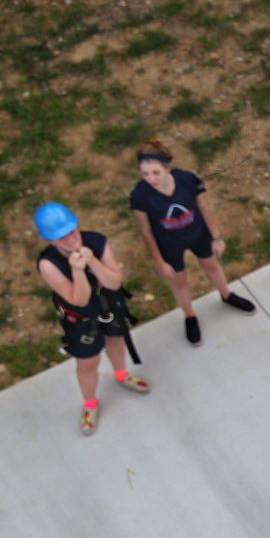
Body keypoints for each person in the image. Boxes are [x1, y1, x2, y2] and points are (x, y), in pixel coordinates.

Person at [35, 201, 150, 436]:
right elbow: (79, 299)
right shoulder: (48, 264)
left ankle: (121, 374)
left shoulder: (97, 242)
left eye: (72, 232)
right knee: (87, 363)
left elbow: (114, 282)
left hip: (109, 306)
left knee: (116, 341)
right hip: (81, 318)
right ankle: (90, 403)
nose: (70, 240)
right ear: (50, 240)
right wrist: (77, 270)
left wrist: (93, 262)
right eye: (61, 238)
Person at [128, 138, 255, 346]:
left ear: (167, 168)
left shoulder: (187, 179)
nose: (151, 179)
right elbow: (146, 232)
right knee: (179, 281)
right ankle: (189, 316)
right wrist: (159, 261)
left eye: (156, 172)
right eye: (145, 174)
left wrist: (216, 237)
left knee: (211, 265)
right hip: (168, 244)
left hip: (198, 234)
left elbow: (203, 208)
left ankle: (227, 295)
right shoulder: (140, 195)